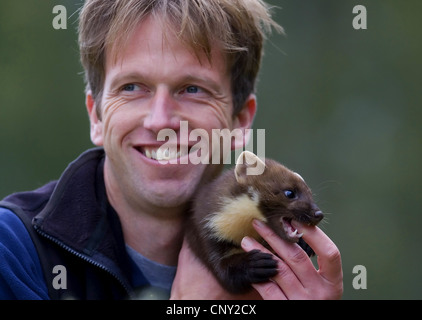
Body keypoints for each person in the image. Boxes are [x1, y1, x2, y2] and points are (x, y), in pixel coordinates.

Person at [0, 0, 343, 300]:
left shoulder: (289, 261)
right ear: (96, 115)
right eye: (132, 87)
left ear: (240, 121)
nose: (161, 120)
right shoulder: (12, 251)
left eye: (192, 89)